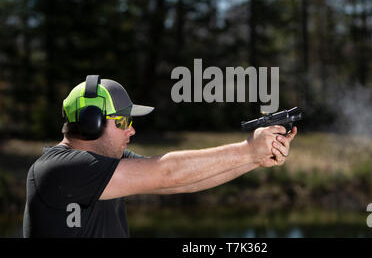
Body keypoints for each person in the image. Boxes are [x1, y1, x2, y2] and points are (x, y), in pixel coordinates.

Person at [23, 75, 297, 237]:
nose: (131, 130)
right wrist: (247, 149)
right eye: (122, 121)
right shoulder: (59, 170)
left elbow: (180, 182)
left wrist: (254, 159)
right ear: (90, 122)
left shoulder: (109, 164)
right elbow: (167, 173)